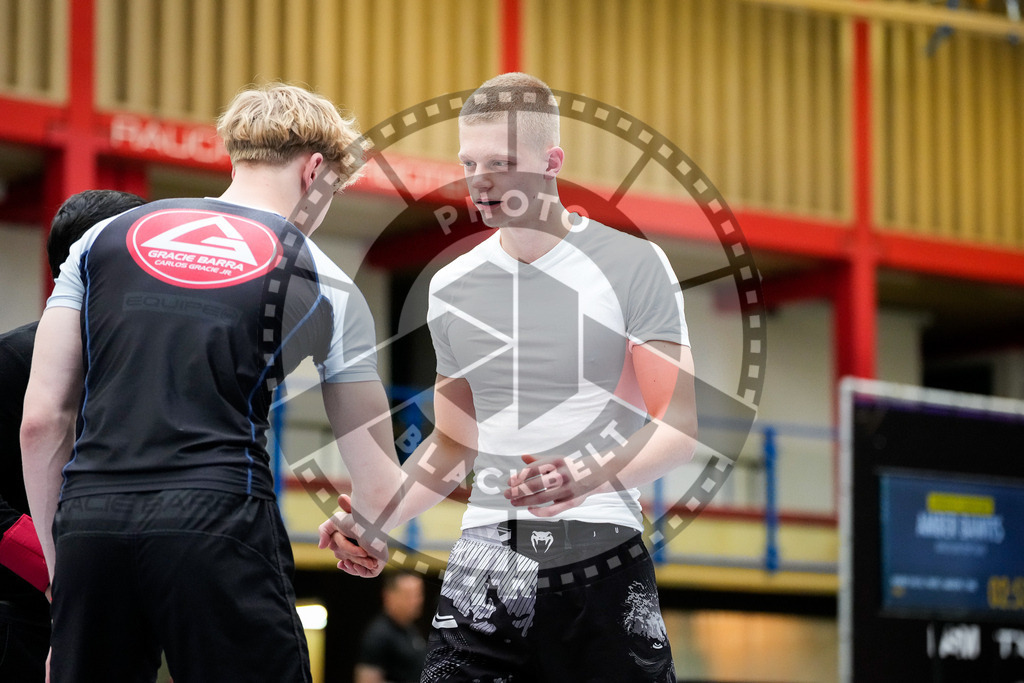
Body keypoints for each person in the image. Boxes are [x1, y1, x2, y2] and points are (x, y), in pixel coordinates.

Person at [322, 72, 698, 682]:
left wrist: (585, 475)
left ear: (552, 162)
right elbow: (453, 445)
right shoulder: (452, 286)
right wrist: (375, 518)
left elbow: (677, 428)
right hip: (486, 555)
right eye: (469, 163)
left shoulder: (634, 264)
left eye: (500, 163)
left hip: (600, 548)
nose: (481, 180)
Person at [21, 82, 401, 682]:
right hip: (220, 520)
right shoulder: (328, 282)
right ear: (314, 171)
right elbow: (378, 479)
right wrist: (365, 530)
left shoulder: (99, 239)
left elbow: (41, 422)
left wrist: (62, 574)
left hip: (92, 521)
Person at [0, 190, 146, 682]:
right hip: (20, 620)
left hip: (114, 618)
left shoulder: (144, 369)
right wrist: (58, 572)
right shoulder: (10, 361)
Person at [355, 570, 428, 683]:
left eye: (418, 595)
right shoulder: (379, 635)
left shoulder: (411, 630)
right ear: (388, 596)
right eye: (408, 596)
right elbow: (366, 680)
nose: (416, 601)